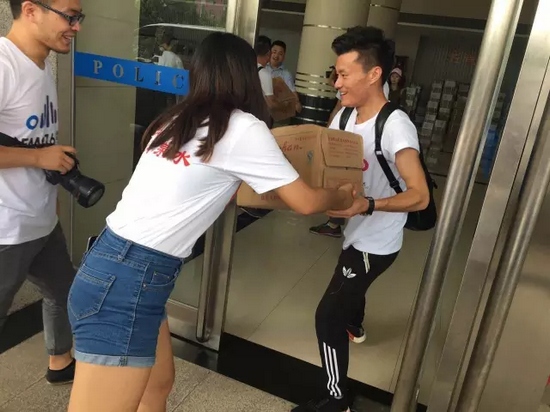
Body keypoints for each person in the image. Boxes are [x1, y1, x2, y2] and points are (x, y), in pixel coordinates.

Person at [66, 31, 355, 412]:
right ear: (246, 75)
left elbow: (211, 187)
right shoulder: (242, 127)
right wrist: (344, 195)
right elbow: (306, 202)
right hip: (129, 279)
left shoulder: (178, 119)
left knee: (157, 385)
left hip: (120, 264)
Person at [293, 26, 429, 412]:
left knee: (327, 316)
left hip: (376, 242)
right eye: (335, 74)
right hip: (355, 231)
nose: (336, 83)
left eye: (343, 74)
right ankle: (355, 323)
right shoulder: (344, 116)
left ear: (374, 74)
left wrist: (367, 206)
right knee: (349, 290)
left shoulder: (395, 125)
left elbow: (419, 196)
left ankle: (338, 398)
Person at [0, 0, 84, 385]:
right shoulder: (4, 65)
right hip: (6, 228)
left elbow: (35, 142)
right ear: (31, 10)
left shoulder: (43, 65)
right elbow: (37, 152)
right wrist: (39, 157)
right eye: (70, 16)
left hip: (41, 221)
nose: (76, 27)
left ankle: (60, 360)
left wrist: (53, 189)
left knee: (63, 290)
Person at [269, 40, 302, 114]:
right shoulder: (262, 68)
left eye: (280, 54)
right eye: (274, 52)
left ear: (284, 57)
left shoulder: (286, 74)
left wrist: (296, 102)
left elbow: (293, 94)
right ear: (269, 53)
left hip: (276, 110)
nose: (276, 56)